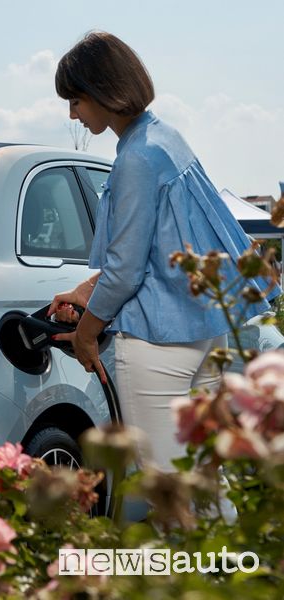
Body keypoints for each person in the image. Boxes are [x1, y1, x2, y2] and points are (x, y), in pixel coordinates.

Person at [48, 31, 275, 472]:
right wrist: (86, 289)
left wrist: (87, 333)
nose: (72, 113)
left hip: (157, 343)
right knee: (208, 481)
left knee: (167, 487)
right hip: (205, 332)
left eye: (75, 99)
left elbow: (127, 271)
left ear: (101, 90)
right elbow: (165, 247)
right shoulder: (165, 140)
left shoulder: (134, 159)